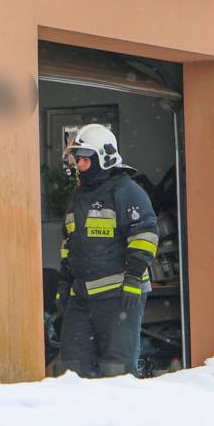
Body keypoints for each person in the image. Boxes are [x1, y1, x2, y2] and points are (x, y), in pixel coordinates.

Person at [58, 124, 158, 378]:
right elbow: (69, 243)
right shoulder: (76, 198)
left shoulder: (127, 192)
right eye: (76, 160)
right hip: (82, 296)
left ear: (105, 157)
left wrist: (134, 277)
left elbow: (144, 234)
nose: (78, 166)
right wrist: (64, 280)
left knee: (116, 370)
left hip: (120, 295)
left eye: (83, 160)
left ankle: (119, 417)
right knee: (74, 367)